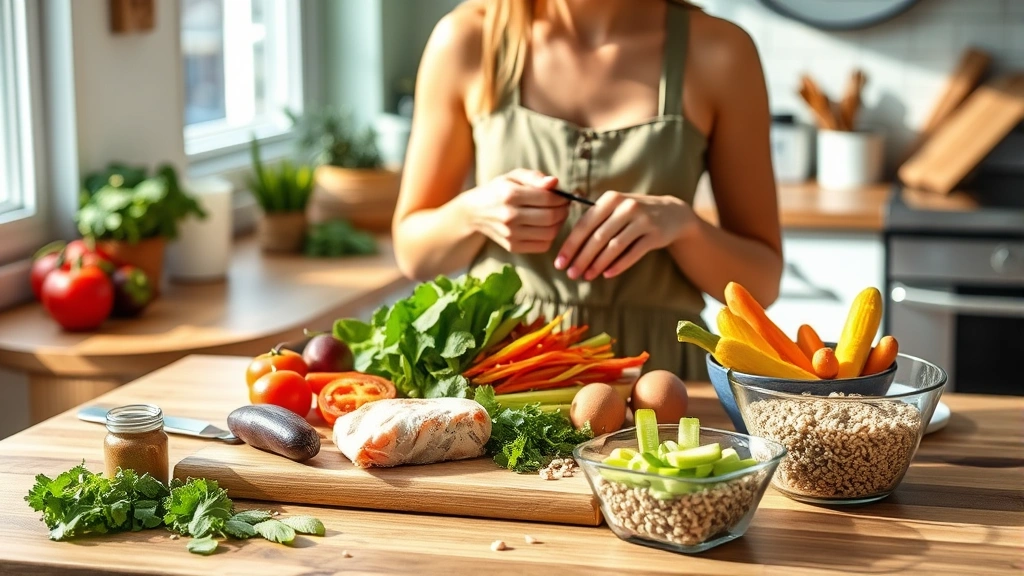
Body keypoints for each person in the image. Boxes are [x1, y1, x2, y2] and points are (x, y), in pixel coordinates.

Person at [392, 0, 782, 380]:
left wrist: (684, 227)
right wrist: (473, 213)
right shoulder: (467, 39)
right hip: (503, 373)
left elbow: (762, 283)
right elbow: (413, 252)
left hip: (663, 379)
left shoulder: (721, 53)